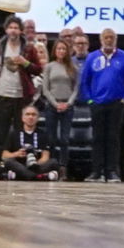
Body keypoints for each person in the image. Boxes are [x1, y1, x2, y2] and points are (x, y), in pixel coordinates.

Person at [79, 28, 124, 182]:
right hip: (97, 103)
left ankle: (111, 171)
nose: (109, 40)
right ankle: (96, 171)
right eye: (106, 37)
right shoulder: (92, 57)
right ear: (101, 39)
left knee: (113, 138)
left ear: (116, 39)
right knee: (97, 138)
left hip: (116, 103)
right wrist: (89, 100)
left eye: (112, 37)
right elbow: (84, 81)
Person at [0, 16, 42, 165]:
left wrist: (25, 63)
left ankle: (18, 166)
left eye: (16, 28)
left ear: (21, 30)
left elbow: (38, 69)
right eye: (10, 28)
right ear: (6, 30)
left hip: (21, 97)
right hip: (2, 95)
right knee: (0, 134)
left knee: (20, 134)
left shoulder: (29, 48)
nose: (13, 30)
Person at [41, 36, 78, 175]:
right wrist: (55, 104)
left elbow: (76, 88)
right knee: (51, 138)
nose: (61, 51)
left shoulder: (72, 67)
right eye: (59, 49)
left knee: (64, 139)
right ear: (55, 51)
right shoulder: (49, 67)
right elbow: (45, 89)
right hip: (52, 105)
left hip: (67, 106)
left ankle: (63, 166)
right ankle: (51, 165)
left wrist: (68, 103)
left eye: (63, 49)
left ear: (67, 51)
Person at [1, 103, 59, 180]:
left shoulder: (43, 135)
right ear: (23, 118)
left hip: (37, 165)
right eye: (27, 114)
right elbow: (4, 155)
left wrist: (35, 164)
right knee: (8, 162)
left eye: (33, 115)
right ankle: (38, 177)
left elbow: (45, 156)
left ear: (37, 118)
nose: (30, 117)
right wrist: (17, 154)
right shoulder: (14, 134)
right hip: (19, 165)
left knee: (53, 162)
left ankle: (24, 176)